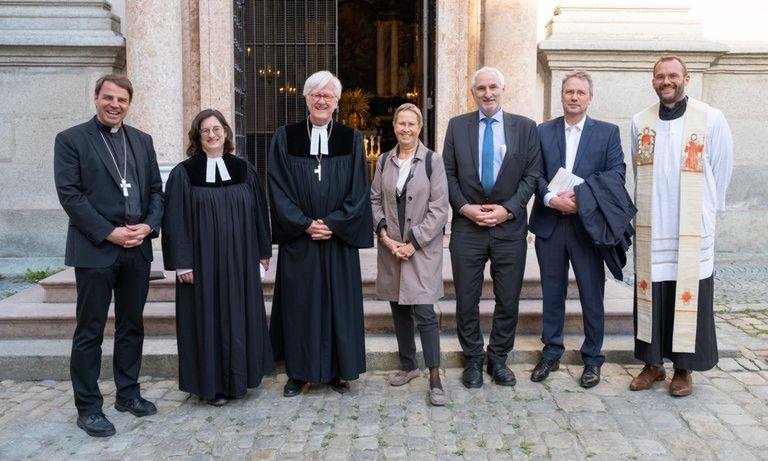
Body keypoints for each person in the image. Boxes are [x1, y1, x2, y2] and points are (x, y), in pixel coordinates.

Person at [53, 74, 164, 437]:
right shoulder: (71, 140)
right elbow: (71, 196)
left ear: (130, 104)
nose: (115, 105)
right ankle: (88, 408)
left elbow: (155, 191)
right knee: (91, 330)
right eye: (109, 98)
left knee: (132, 325)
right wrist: (109, 232)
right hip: (96, 249)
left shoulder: (142, 141)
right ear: (96, 98)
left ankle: (127, 394)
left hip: (137, 248)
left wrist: (148, 227)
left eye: (122, 99)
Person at [630, 55, 733, 396]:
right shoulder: (639, 121)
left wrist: (708, 213)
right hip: (653, 224)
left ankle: (684, 369)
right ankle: (652, 364)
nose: (666, 81)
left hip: (690, 226)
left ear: (686, 78)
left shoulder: (710, 118)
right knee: (652, 292)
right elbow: (637, 167)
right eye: (660, 76)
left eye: (673, 75)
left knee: (687, 293)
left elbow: (721, 166)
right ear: (653, 81)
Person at [268, 70, 373, 397]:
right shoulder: (285, 137)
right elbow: (277, 186)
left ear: (337, 102)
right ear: (306, 99)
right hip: (301, 240)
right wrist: (303, 223)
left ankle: (338, 372)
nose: (322, 100)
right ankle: (298, 374)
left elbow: (359, 190)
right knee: (300, 305)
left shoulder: (351, 138)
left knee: (337, 305)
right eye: (316, 94)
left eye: (328, 95)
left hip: (336, 240)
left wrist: (334, 223)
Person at [161, 109, 274, 406]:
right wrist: (182, 262)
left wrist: (263, 252)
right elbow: (175, 221)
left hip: (240, 260)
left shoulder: (243, 170)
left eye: (217, 129)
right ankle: (211, 386)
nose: (212, 135)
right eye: (205, 131)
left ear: (226, 132)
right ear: (198, 137)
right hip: (203, 264)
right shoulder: (184, 174)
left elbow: (260, 214)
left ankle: (241, 380)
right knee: (207, 318)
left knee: (240, 316)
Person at [443, 66, 542, 388]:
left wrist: (508, 210)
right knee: (466, 298)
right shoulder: (457, 127)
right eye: (481, 88)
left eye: (493, 87)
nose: (487, 93)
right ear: (473, 93)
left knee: (508, 298)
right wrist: (464, 207)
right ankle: (472, 358)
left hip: (509, 228)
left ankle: (498, 358)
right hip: (467, 228)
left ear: (503, 89)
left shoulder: (525, 128)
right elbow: (448, 174)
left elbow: (531, 175)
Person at [529, 71, 627, 388]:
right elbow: (534, 172)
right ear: (562, 96)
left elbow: (615, 175)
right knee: (552, 293)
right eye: (569, 91)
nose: (574, 97)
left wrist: (580, 197)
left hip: (588, 226)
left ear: (589, 97)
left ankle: (593, 359)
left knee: (591, 293)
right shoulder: (542, 131)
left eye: (580, 92)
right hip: (551, 223)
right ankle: (551, 352)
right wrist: (549, 198)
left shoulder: (608, 133)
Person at [370, 103, 449, 406]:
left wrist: (413, 243)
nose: (405, 129)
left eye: (410, 124)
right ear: (394, 128)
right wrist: (385, 237)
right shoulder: (384, 161)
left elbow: (439, 208)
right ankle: (408, 365)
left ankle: (435, 376)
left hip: (421, 251)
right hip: (391, 248)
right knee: (399, 309)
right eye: (400, 124)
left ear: (419, 128)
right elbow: (375, 199)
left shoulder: (433, 161)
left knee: (425, 314)